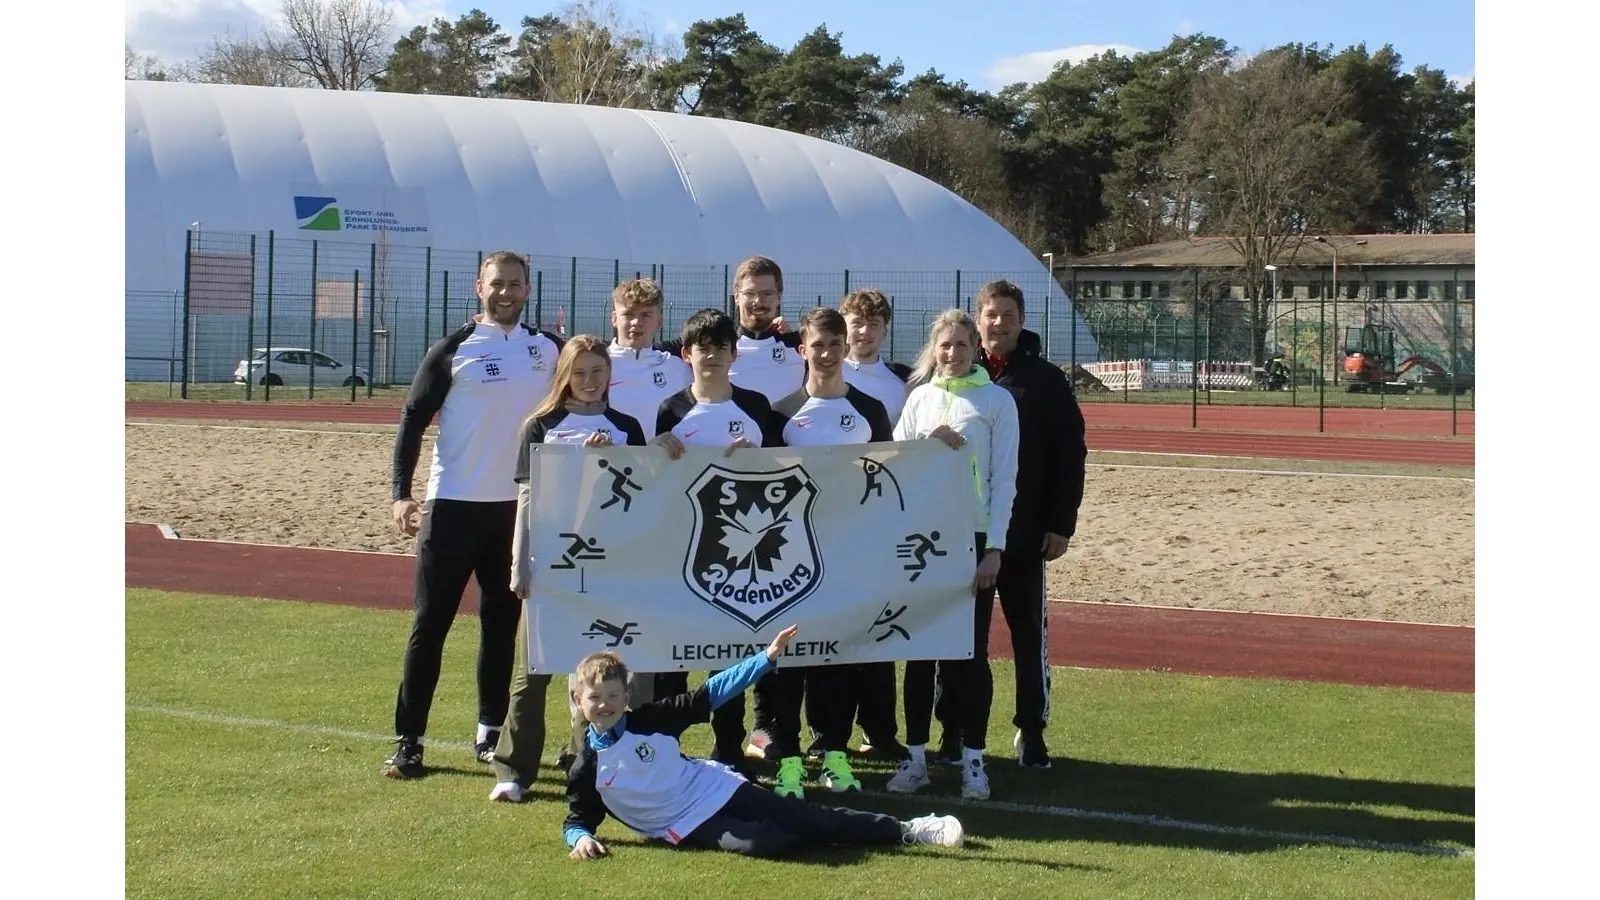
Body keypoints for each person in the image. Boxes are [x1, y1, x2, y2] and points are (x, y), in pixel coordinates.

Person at [383, 250, 564, 779]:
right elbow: (413, 417)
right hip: (453, 506)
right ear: (477, 287)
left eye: (514, 284)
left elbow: (595, 384)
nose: (505, 293)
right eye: (496, 284)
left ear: (528, 289)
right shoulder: (453, 350)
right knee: (429, 625)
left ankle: (489, 734)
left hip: (517, 510)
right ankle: (409, 740)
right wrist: (401, 492)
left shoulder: (547, 350)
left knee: (501, 626)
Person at [562, 625, 966, 859]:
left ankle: (909, 829)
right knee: (764, 842)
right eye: (595, 698)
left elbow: (711, 691)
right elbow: (577, 820)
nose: (604, 706)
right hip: (685, 823)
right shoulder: (586, 768)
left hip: (713, 786)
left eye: (613, 697)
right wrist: (581, 839)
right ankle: (833, 829)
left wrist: (765, 658)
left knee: (807, 818)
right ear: (579, 701)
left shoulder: (649, 720)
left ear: (626, 698)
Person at [488, 334, 648, 802]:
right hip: (551, 567)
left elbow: (640, 498)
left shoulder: (626, 426)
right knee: (532, 671)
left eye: (598, 372)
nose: (589, 381)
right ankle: (513, 771)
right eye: (579, 373)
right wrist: (520, 563)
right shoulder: (540, 426)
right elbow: (527, 498)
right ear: (564, 377)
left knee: (597, 674)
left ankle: (590, 764)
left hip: (607, 568)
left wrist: (611, 461)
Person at [755, 307, 895, 799]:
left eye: (836, 345)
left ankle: (833, 751)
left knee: (837, 655)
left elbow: (888, 480)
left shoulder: (870, 410)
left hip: (848, 554)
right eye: (818, 345)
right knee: (788, 654)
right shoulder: (780, 413)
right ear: (803, 350)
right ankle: (788, 755)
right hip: (791, 556)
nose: (828, 354)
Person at [952, 278, 1087, 771]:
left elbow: (1070, 455)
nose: (998, 323)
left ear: (1020, 320)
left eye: (1008, 315)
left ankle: (1032, 731)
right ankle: (958, 733)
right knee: (965, 639)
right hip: (967, 537)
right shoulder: (957, 377)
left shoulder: (1045, 382)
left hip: (1026, 536)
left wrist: (1060, 523)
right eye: (990, 314)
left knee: (1029, 635)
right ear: (978, 317)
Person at [885, 308, 1019, 801]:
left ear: (975, 349)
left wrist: (995, 549)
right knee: (920, 653)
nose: (953, 354)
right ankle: (915, 757)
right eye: (945, 345)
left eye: (962, 345)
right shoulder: (919, 399)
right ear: (933, 349)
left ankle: (973, 760)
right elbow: (895, 462)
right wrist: (927, 442)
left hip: (974, 538)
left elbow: (1005, 481)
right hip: (924, 539)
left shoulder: (997, 402)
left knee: (969, 653)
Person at [650, 307, 779, 774]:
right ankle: (665, 746)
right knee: (676, 655)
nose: (711, 355)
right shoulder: (671, 410)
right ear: (686, 354)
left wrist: (758, 461)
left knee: (729, 651)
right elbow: (653, 481)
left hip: (741, 556)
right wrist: (657, 449)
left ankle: (729, 749)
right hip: (684, 551)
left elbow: (791, 476)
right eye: (701, 347)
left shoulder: (758, 408)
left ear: (734, 352)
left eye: (720, 347)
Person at [835, 287, 913, 760]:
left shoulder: (902, 382)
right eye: (856, 322)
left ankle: (880, 730)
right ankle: (830, 733)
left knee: (880, 627)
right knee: (835, 628)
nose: (863, 332)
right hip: (828, 522)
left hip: (880, 520)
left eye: (873, 323)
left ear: (885, 328)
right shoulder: (819, 372)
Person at [604, 279, 692, 438]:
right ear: (614, 318)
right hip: (615, 461)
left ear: (659, 321)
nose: (636, 322)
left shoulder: (678, 369)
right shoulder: (597, 366)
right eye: (629, 314)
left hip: (669, 461)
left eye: (646, 315)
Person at [726, 256, 805, 404]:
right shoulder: (720, 348)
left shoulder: (799, 345)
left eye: (767, 294)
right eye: (750, 294)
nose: (758, 301)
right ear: (737, 297)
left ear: (779, 297)